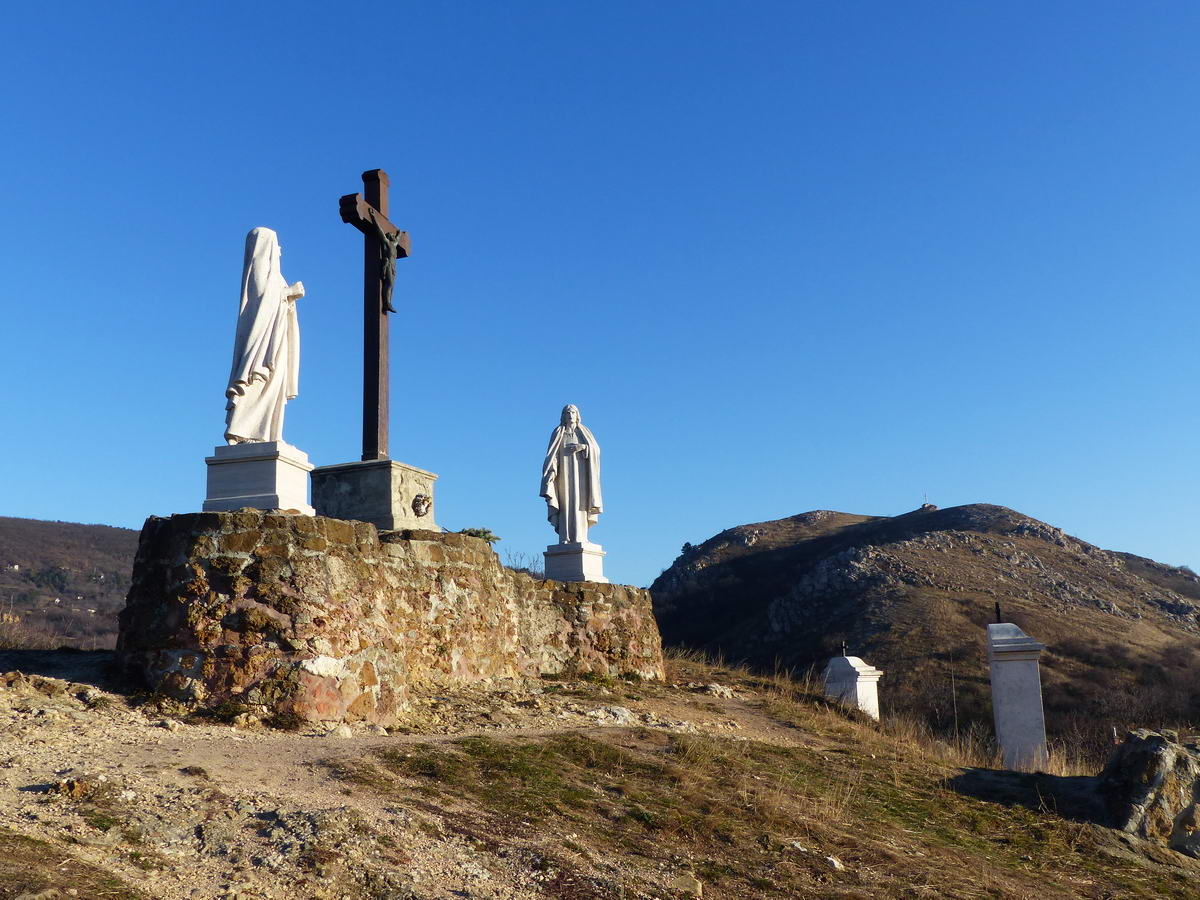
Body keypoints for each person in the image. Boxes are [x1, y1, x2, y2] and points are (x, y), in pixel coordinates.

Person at [223, 227, 305, 444]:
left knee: (273, 388)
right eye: (276, 245)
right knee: (257, 383)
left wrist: (288, 297)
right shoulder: (261, 271)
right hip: (261, 346)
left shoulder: (277, 277)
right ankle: (243, 431)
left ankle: (268, 433)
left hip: (276, 341)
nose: (280, 250)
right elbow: (262, 301)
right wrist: (289, 293)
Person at [539, 404, 603, 543]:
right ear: (563, 415)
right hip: (563, 477)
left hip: (582, 477)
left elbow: (596, 449)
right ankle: (565, 537)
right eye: (567, 412)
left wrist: (583, 447)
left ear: (577, 415)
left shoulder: (584, 432)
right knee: (566, 504)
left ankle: (582, 537)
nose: (570, 415)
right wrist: (551, 473)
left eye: (573, 412)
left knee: (581, 505)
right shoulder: (558, 432)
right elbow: (552, 455)